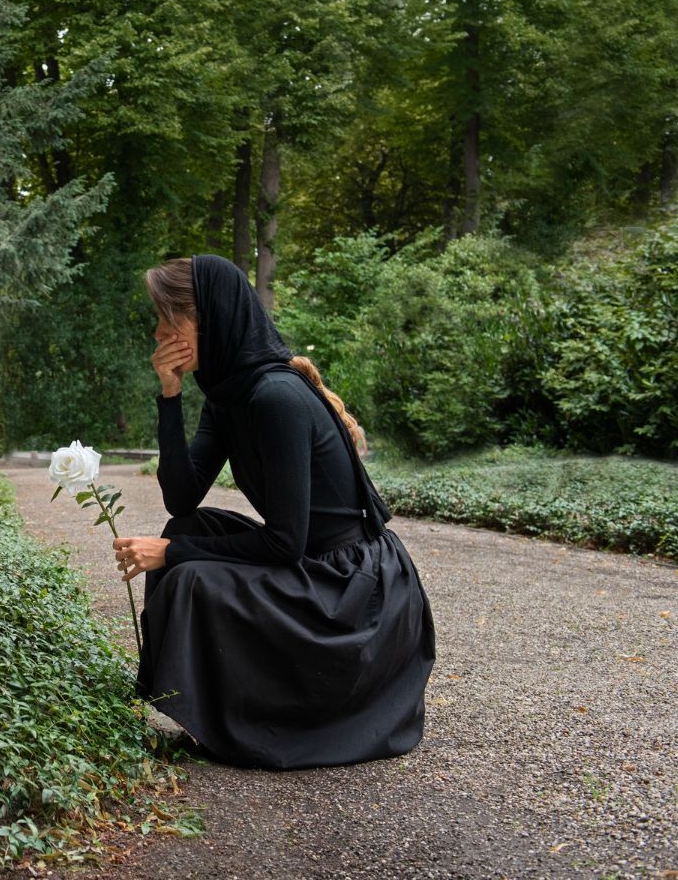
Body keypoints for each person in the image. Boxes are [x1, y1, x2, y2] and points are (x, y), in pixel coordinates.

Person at [111, 253, 436, 769]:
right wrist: (169, 395)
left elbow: (284, 543)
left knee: (190, 572)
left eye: (168, 319)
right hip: (312, 562)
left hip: (354, 592)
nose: (158, 333)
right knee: (188, 525)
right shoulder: (229, 396)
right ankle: (198, 707)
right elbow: (182, 498)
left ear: (209, 319)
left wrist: (172, 553)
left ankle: (238, 722)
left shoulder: (275, 398)